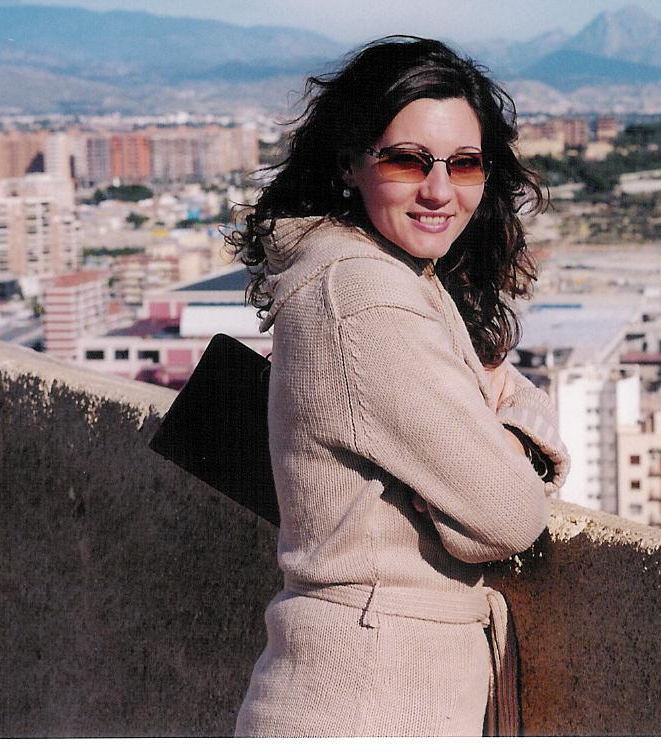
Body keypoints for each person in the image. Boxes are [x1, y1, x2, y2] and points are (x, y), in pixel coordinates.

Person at [226, 36, 569, 737]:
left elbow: (507, 398)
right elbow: (509, 516)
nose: (439, 190)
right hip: (366, 698)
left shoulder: (382, 273)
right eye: (408, 160)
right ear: (350, 162)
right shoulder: (365, 297)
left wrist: (499, 440)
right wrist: (511, 450)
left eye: (464, 164)